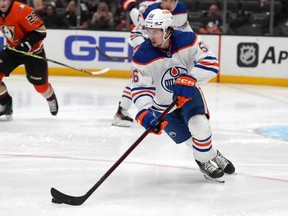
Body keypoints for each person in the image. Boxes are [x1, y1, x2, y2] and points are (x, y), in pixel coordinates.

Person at [131, 8, 235, 181]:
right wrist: (144, 112)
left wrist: (190, 79)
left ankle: (203, 162)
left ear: (168, 30)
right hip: (162, 105)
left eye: (156, 31)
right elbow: (140, 88)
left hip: (187, 95)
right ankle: (213, 154)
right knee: (189, 139)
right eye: (149, 31)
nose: (151, 35)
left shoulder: (188, 39)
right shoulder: (142, 54)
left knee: (199, 125)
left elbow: (211, 62)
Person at [112, 0, 192, 127]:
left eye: (171, 1)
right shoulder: (151, 12)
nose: (167, 4)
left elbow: (185, 30)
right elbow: (136, 34)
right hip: (147, 43)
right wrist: (144, 50)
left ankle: (124, 112)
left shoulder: (181, 10)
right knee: (140, 79)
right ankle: (122, 112)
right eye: (165, 0)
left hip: (164, 46)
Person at [0, 0, 58, 121]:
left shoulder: (22, 10)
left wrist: (26, 44)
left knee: (40, 87)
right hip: (13, 51)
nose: (1, 3)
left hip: (33, 53)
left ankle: (50, 97)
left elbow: (41, 31)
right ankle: (6, 104)